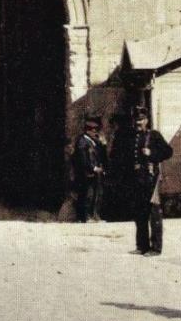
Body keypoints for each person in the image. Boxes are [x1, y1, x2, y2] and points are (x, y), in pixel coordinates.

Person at [112, 106, 173, 254]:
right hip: (136, 180)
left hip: (150, 179)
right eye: (136, 120)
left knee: (154, 214)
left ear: (146, 120)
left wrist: (152, 152)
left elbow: (168, 152)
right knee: (139, 214)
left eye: (141, 120)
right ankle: (142, 246)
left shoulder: (154, 135)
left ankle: (156, 248)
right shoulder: (130, 136)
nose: (138, 123)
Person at [71, 115, 106, 222]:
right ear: (88, 130)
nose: (95, 132)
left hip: (94, 173)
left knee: (95, 195)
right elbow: (83, 159)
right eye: (93, 130)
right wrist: (93, 168)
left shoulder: (93, 141)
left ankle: (94, 215)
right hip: (86, 174)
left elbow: (100, 155)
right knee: (87, 196)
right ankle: (86, 217)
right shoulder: (82, 141)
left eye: (96, 130)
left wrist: (103, 145)